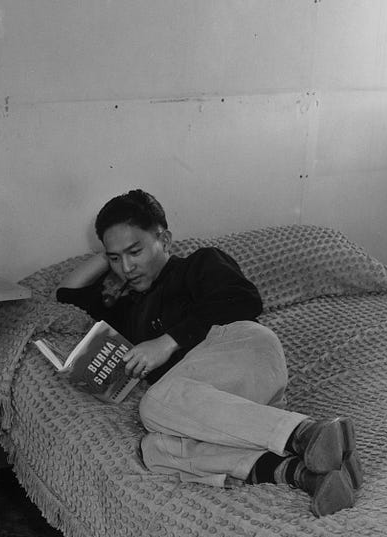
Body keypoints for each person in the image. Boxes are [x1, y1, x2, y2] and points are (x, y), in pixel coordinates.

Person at [56, 189, 362, 517]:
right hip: (219, 408)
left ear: (166, 240)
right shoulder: (129, 307)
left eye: (136, 251)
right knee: (155, 449)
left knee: (156, 404)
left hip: (244, 350)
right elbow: (67, 294)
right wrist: (111, 249)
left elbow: (244, 299)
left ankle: (307, 432)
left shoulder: (199, 264)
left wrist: (166, 343)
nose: (127, 267)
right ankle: (303, 472)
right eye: (116, 259)